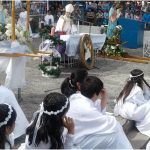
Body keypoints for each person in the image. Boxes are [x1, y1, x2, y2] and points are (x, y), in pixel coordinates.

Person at [67, 76, 133, 149]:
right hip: (74, 144)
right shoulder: (88, 108)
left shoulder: (75, 97)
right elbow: (110, 123)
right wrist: (104, 98)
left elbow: (99, 115)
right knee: (115, 133)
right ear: (96, 93)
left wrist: (104, 98)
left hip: (73, 136)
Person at [114, 69, 150, 137]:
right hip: (131, 111)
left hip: (125, 107)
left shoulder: (129, 84)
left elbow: (146, 93)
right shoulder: (137, 90)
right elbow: (142, 103)